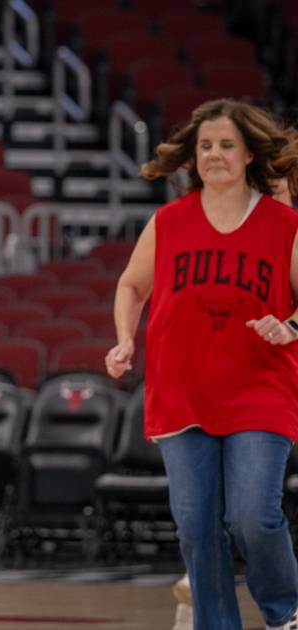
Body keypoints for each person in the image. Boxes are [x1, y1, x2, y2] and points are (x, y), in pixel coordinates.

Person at [106, 99, 298, 630]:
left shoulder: (284, 224)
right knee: (196, 526)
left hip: (260, 388)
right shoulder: (168, 221)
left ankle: (286, 613)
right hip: (181, 391)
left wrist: (290, 327)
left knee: (253, 517)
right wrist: (124, 341)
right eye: (205, 145)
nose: (214, 154)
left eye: (226, 145)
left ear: (249, 153)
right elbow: (131, 286)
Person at [169, 139, 298, 630]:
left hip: (274, 389)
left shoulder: (288, 233)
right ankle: (207, 597)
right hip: (220, 389)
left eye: (278, 189)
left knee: (253, 513)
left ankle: (284, 609)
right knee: (202, 515)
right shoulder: (214, 231)